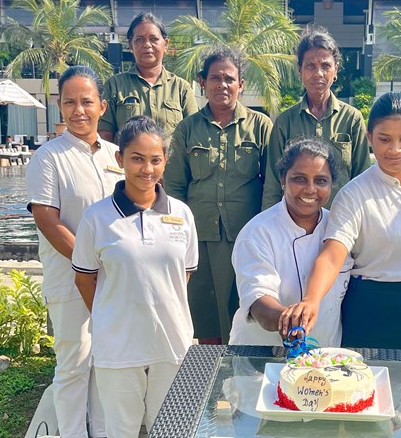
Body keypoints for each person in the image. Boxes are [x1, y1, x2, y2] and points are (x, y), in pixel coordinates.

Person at [280, 92, 401, 352]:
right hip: (370, 312)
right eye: (384, 139)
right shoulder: (354, 194)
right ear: (368, 137)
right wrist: (311, 300)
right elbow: (332, 256)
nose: (394, 149)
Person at [73, 116, 198, 438]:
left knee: (171, 429)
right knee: (121, 430)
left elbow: (182, 275)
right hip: (118, 347)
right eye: (137, 159)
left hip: (171, 343)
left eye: (155, 160)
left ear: (165, 161)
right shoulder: (97, 217)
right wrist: (111, 315)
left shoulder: (182, 215)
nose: (147, 169)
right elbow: (85, 280)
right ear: (120, 159)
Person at [26, 66, 121, 438]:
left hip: (115, 280)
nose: (78, 110)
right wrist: (89, 265)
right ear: (58, 106)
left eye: (86, 101)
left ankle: (100, 431)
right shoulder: (48, 158)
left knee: (105, 361)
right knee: (73, 363)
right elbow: (48, 220)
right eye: (69, 102)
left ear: (102, 106)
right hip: (70, 279)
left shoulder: (117, 156)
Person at [163, 46, 272, 344]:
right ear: (202, 82)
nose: (221, 85)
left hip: (245, 235)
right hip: (200, 235)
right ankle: (210, 369)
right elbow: (174, 188)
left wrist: (264, 231)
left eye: (229, 78)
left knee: (243, 305)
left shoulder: (261, 127)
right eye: (214, 78)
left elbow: (271, 184)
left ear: (241, 85)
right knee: (204, 310)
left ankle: (240, 366)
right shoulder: (187, 130)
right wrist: (177, 235)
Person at [228, 138, 350, 346]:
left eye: (321, 181)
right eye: (299, 179)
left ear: (331, 185)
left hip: (323, 357)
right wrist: (290, 321)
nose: (310, 189)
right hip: (260, 358)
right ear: (283, 179)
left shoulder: (341, 228)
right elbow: (258, 301)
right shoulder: (257, 233)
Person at [262, 25, 370, 209]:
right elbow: (273, 182)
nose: (318, 73)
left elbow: (363, 179)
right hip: (294, 223)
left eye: (325, 66)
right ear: (300, 70)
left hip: (341, 221)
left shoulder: (352, 119)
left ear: (335, 70)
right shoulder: (285, 122)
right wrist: (268, 224)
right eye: (310, 66)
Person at [99, 12, 198, 142]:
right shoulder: (114, 86)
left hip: (171, 162)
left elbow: (194, 133)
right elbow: (105, 135)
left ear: (166, 44)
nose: (147, 45)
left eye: (153, 39)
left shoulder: (181, 88)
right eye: (140, 39)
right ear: (130, 44)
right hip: (126, 162)